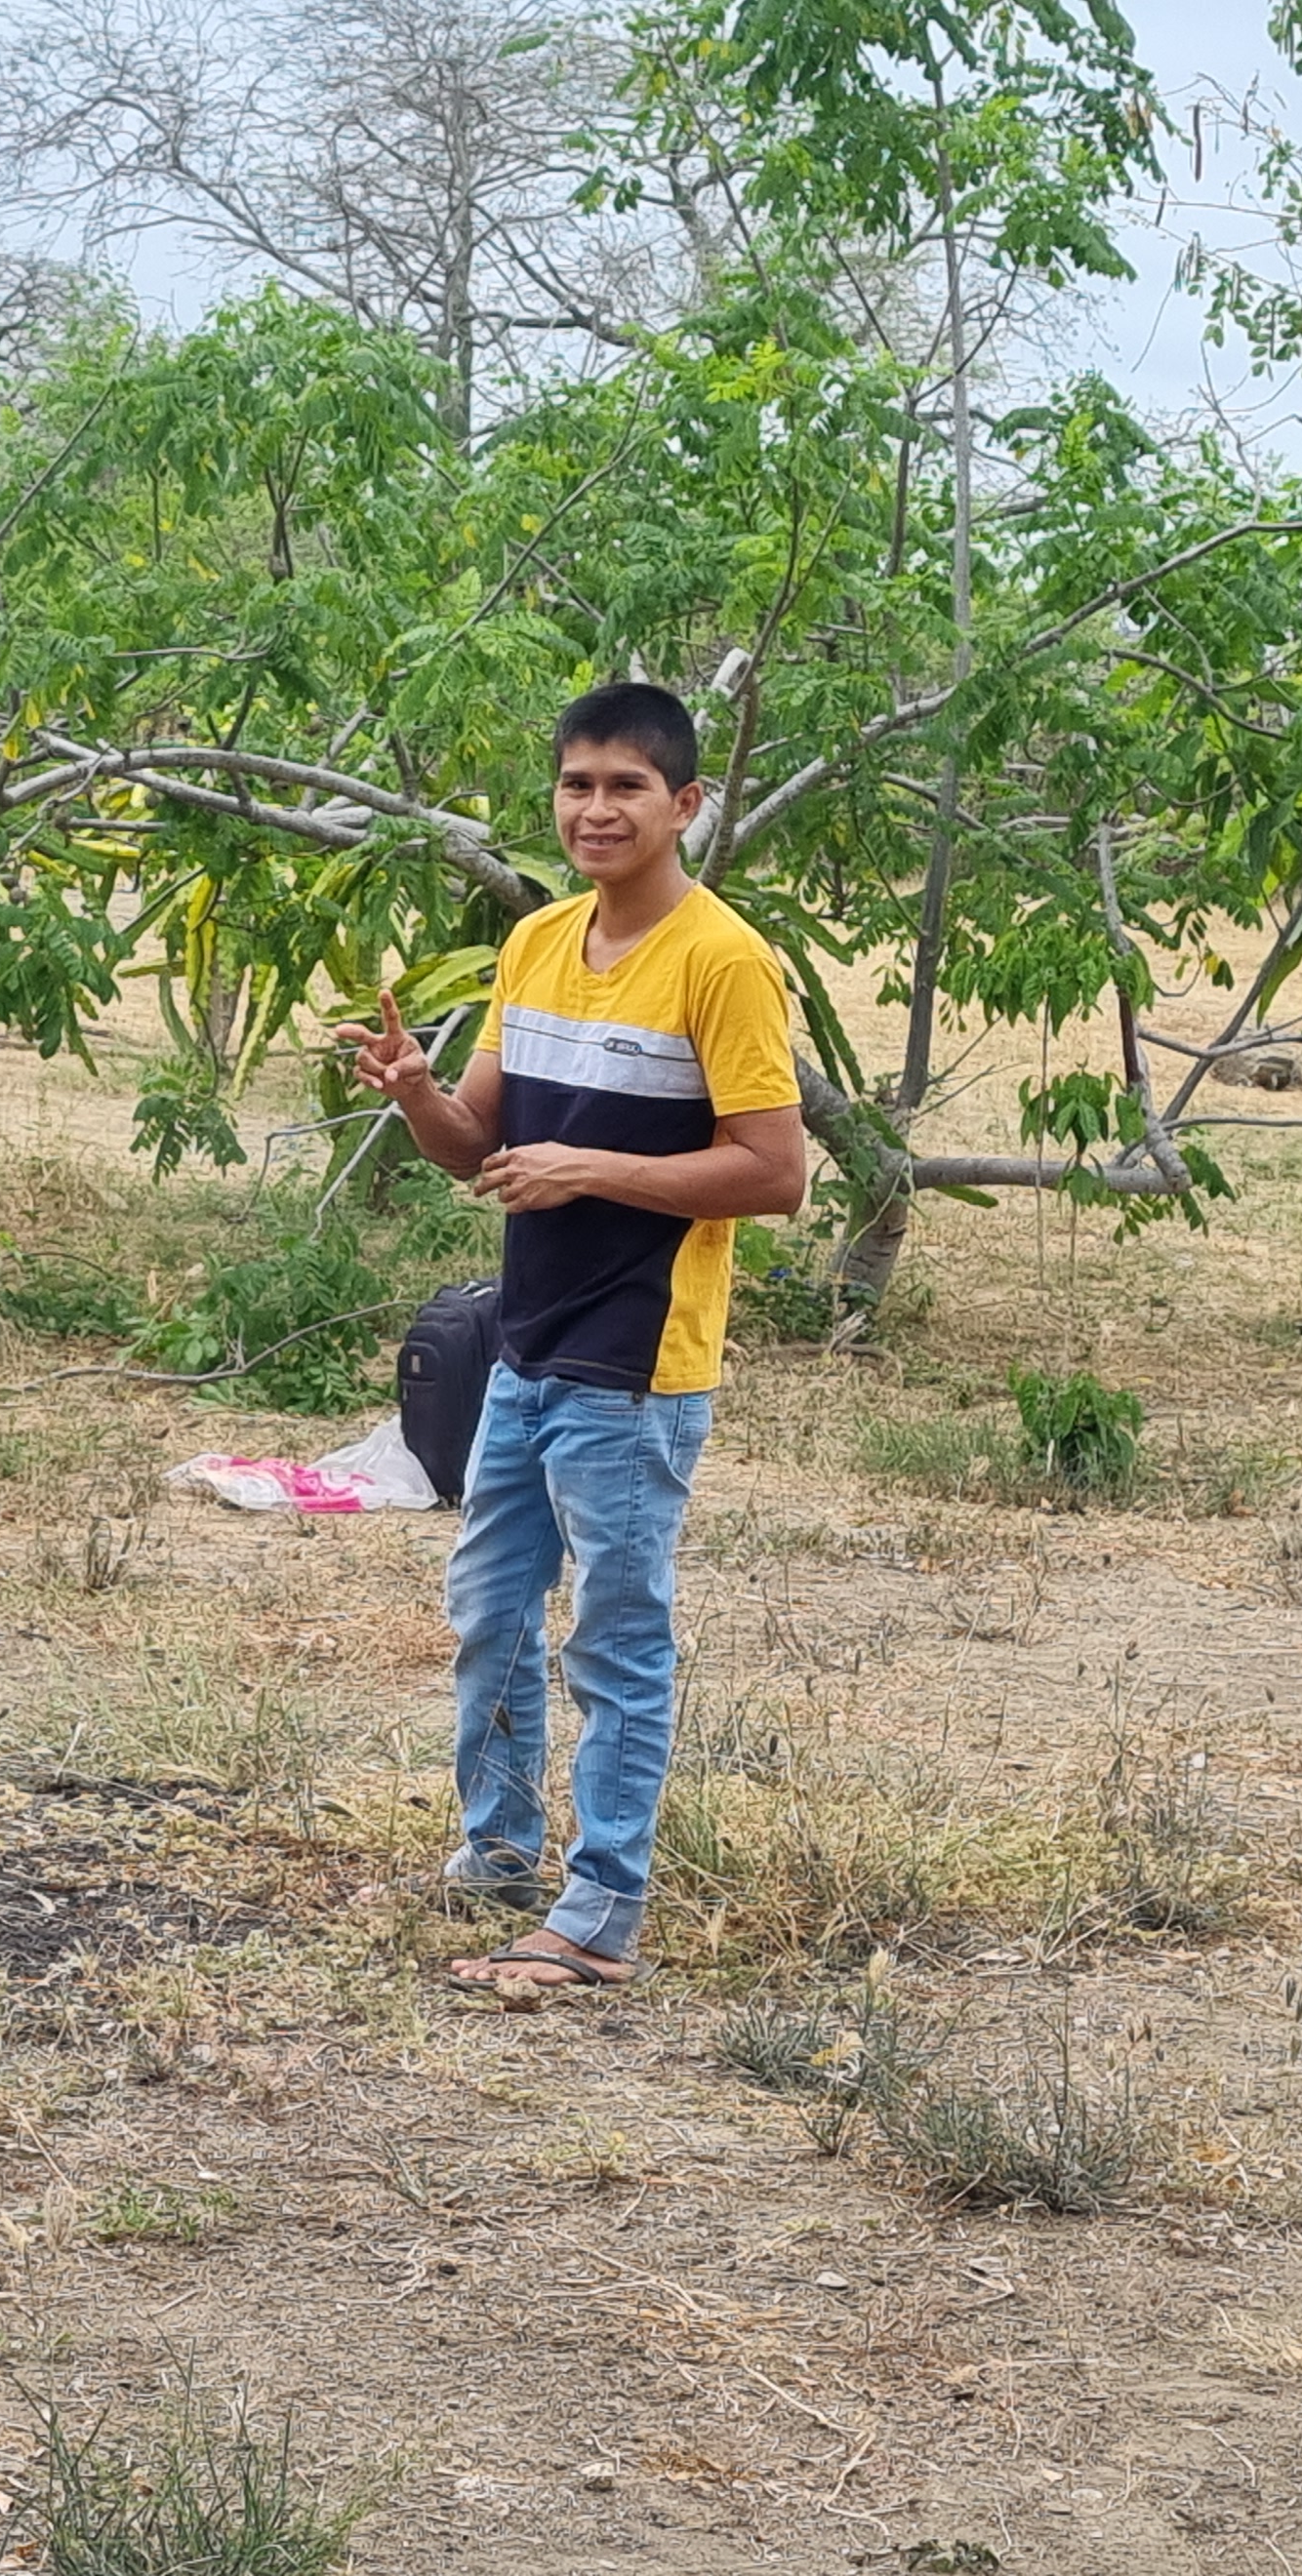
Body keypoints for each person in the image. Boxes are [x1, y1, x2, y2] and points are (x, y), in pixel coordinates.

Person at [335, 681, 807, 1995]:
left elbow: (775, 1173)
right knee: (489, 1614)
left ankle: (600, 1913)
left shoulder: (723, 961)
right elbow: (478, 1148)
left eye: (627, 787)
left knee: (613, 1642)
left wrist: (590, 1171)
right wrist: (419, 1093)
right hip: (526, 1348)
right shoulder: (538, 942)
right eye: (577, 785)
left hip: (638, 1363)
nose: (597, 810)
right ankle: (496, 1857)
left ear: (685, 805)